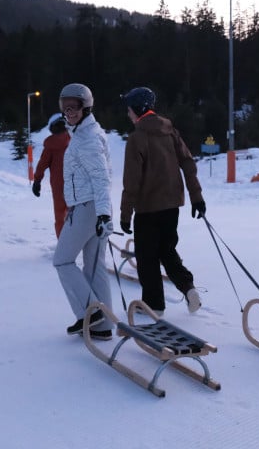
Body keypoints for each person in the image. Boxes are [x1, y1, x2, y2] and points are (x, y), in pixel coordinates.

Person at [118, 86, 205, 316]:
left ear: (138, 109)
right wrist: (197, 197)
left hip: (147, 209)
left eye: (129, 109)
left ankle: (154, 305)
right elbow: (188, 162)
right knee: (167, 251)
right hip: (171, 206)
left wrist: (125, 214)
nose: (128, 114)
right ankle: (188, 288)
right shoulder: (170, 131)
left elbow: (131, 182)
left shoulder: (137, 138)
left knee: (147, 257)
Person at [52, 83, 114, 340]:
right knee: (94, 266)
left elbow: (100, 178)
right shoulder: (85, 133)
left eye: (74, 106)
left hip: (89, 208)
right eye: (65, 107)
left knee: (62, 260)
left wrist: (102, 214)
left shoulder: (87, 138)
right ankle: (103, 326)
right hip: (94, 208)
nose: (69, 112)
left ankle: (91, 312)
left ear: (86, 107)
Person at [32, 114, 70, 238]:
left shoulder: (50, 145)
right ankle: (76, 241)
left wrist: (37, 181)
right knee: (75, 215)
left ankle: (63, 244)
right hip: (76, 184)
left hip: (58, 185)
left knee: (60, 215)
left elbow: (42, 164)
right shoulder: (74, 139)